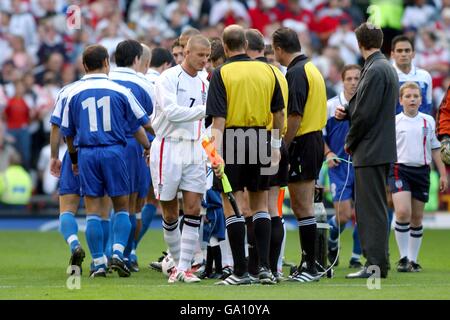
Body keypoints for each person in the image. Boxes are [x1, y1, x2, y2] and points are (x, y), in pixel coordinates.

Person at [60, 44, 152, 278]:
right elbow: (139, 124)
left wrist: (73, 159)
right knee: (122, 207)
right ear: (106, 63)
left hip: (87, 153)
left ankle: (98, 263)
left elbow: (67, 133)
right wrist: (149, 147)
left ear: (84, 66)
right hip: (114, 152)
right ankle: (119, 254)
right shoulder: (120, 90)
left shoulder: (73, 92)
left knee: (92, 211)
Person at [207, 24, 285, 285]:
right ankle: (264, 268)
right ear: (246, 44)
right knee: (261, 205)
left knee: (232, 207)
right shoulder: (268, 70)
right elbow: (279, 114)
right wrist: (274, 147)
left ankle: (240, 272)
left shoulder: (222, 73)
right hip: (262, 139)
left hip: (233, 139)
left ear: (226, 47)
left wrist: (215, 155)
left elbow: (218, 119)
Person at [335, 23, 399, 279]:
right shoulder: (384, 66)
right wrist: (348, 111)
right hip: (381, 146)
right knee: (377, 207)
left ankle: (375, 265)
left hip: (370, 149)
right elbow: (371, 107)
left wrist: (350, 139)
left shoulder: (374, 69)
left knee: (370, 209)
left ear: (359, 43)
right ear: (380, 40)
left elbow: (366, 113)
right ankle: (379, 261)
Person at [150, 35, 211, 284]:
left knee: (194, 207)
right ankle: (176, 263)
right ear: (186, 52)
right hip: (168, 145)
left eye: (207, 56)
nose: (204, 61)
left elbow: (206, 124)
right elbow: (172, 113)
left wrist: (211, 151)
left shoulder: (206, 81)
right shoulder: (168, 78)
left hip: (194, 147)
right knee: (169, 211)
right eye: (200, 55)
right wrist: (207, 110)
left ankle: (184, 267)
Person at [272, 27, 327, 282]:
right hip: (314, 138)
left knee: (302, 205)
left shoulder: (295, 73)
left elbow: (294, 115)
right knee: (301, 205)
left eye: (274, 50)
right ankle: (309, 261)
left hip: (303, 140)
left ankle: (311, 266)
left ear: (280, 49)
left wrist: (284, 143)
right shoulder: (311, 67)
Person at [245, 28, 289, 283]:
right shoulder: (279, 74)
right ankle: (273, 267)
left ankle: (255, 266)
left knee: (253, 207)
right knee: (273, 208)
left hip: (255, 139)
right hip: (277, 140)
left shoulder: (253, 74)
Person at [389, 82, 448, 272]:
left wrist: (442, 173)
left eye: (415, 96)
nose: (412, 99)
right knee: (403, 212)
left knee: (417, 217)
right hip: (400, 169)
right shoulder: (394, 122)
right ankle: (403, 258)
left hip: (422, 171)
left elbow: (435, 148)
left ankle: (413, 260)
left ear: (421, 100)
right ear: (401, 100)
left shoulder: (428, 121)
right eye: (408, 96)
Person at [109, 39, 154, 272]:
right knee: (135, 204)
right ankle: (127, 254)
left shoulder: (106, 79)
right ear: (138, 60)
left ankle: (104, 256)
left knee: (107, 204)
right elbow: (152, 121)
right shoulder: (144, 84)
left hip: (102, 145)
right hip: (134, 145)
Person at [323, 64, 363, 269]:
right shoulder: (331, 105)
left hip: (363, 165)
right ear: (342, 80)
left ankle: (356, 257)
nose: (354, 82)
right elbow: (319, 134)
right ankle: (331, 239)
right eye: (350, 79)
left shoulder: (366, 105)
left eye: (357, 78)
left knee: (364, 215)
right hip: (340, 167)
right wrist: (328, 153)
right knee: (344, 216)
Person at [390, 35, 433, 115]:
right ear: (392, 54)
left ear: (413, 54)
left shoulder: (425, 76)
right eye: (399, 51)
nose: (403, 54)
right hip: (394, 127)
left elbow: (428, 106)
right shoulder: (386, 77)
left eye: (407, 50)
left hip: (420, 126)